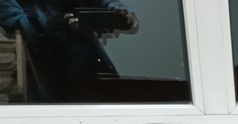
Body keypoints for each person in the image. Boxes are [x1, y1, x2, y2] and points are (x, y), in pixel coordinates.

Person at [0, 0, 137, 101]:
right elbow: (23, 25)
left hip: (88, 73)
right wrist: (65, 22)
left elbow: (102, 3)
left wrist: (115, 11)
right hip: (45, 78)